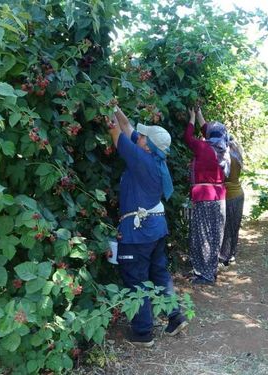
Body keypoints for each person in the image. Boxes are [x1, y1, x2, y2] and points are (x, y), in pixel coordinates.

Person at [107, 105, 188, 347]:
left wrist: (106, 115)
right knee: (159, 273)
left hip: (138, 232)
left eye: (142, 136)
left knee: (136, 279)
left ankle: (143, 333)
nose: (138, 136)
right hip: (156, 229)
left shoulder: (141, 158)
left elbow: (116, 132)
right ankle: (174, 316)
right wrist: (116, 108)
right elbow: (128, 127)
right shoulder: (154, 158)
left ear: (147, 145)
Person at [183, 107, 229, 285]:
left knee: (202, 235)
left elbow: (188, 138)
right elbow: (209, 131)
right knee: (215, 234)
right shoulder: (223, 148)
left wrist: (192, 118)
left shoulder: (203, 147)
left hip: (204, 197)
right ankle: (211, 270)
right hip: (219, 197)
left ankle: (205, 274)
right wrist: (200, 114)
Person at [219, 134, 245, 266]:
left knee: (225, 226)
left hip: (228, 195)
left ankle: (224, 255)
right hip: (238, 193)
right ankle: (231, 253)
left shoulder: (225, 158)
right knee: (234, 225)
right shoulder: (238, 156)